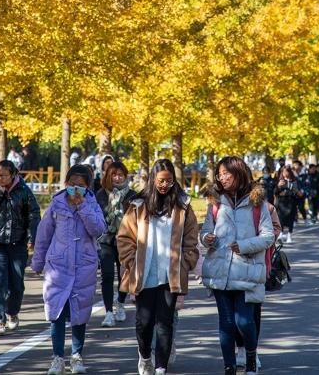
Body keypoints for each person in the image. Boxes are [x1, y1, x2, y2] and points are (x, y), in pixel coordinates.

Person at [117, 159, 199, 375]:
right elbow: (124, 238)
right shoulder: (138, 205)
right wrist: (131, 262)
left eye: (170, 181)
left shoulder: (182, 205)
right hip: (144, 274)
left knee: (165, 322)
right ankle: (145, 356)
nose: (165, 185)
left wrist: (186, 262)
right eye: (162, 181)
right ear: (153, 179)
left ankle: (161, 367)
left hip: (170, 274)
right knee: (144, 322)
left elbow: (191, 237)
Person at [201, 156, 274, 375]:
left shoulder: (257, 203)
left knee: (243, 321)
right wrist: (207, 239)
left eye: (226, 174)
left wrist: (244, 245)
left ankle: (251, 358)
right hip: (219, 271)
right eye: (220, 174)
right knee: (226, 323)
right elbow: (204, 231)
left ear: (239, 173)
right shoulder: (215, 202)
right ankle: (229, 367)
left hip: (246, 271)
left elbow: (268, 236)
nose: (222, 178)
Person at [31, 164, 106, 375]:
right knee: (56, 312)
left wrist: (82, 207)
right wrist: (38, 262)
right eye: (72, 185)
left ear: (87, 187)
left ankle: (76, 356)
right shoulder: (56, 204)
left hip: (84, 266)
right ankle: (57, 358)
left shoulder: (92, 203)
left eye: (80, 186)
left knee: (79, 312)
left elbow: (99, 230)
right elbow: (43, 234)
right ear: (66, 184)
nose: (75, 189)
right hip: (58, 266)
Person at [0, 160, 41, 336]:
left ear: (13, 174)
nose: (0, 178)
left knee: (16, 283)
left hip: (18, 243)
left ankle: (12, 312)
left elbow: (34, 214)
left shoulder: (24, 191)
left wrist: (33, 236)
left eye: (3, 175)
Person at [234, 182, 281, 371]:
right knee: (235, 313)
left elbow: (275, 230)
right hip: (233, 266)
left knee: (253, 311)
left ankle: (253, 352)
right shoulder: (229, 206)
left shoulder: (266, 207)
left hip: (258, 263)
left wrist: (255, 241)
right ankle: (240, 350)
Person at [95, 161, 137, 327]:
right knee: (107, 275)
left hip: (125, 240)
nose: (117, 178)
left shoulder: (132, 195)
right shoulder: (100, 195)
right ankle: (108, 312)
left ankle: (120, 303)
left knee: (124, 275)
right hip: (105, 239)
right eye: (114, 175)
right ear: (108, 176)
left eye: (121, 175)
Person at [274, 166, 300, 242]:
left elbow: (297, 192)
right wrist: (278, 186)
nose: (285, 173)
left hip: (291, 202)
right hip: (281, 202)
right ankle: (281, 234)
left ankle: (289, 235)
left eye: (287, 171)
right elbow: (275, 192)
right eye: (283, 172)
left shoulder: (294, 181)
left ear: (289, 172)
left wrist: (292, 188)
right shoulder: (279, 181)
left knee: (290, 220)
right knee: (280, 219)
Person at [292, 160, 310, 225]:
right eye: (294, 165)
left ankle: (305, 219)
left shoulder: (304, 174)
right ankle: (295, 220)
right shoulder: (292, 174)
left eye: (296, 165)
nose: (295, 166)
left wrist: (302, 191)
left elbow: (306, 184)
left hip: (301, 194)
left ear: (300, 166)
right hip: (293, 194)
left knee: (301, 207)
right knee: (293, 207)